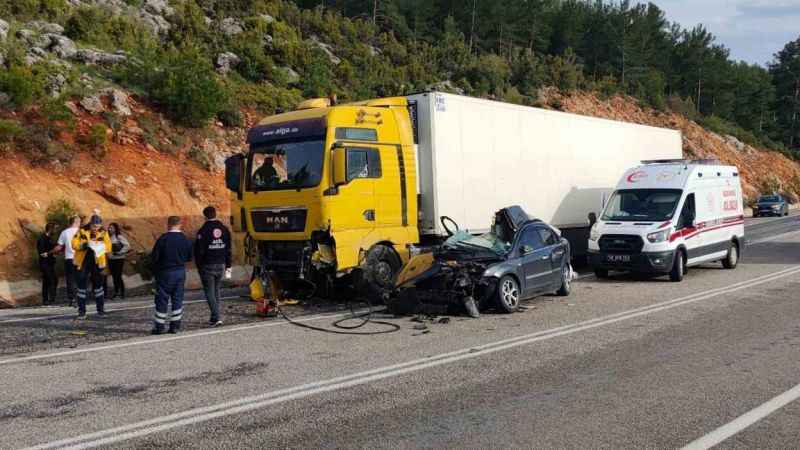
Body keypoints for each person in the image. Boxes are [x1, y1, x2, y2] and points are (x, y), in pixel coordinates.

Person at [150, 216, 193, 335]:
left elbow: (154, 258)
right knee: (177, 298)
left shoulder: (163, 239)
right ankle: (175, 326)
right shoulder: (185, 239)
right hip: (180, 271)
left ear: (168, 224)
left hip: (165, 272)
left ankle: (159, 327)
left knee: (162, 299)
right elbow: (189, 257)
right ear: (180, 224)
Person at [195, 206, 232, 327]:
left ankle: (216, 317)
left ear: (205, 216)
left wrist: (199, 266)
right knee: (216, 290)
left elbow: (199, 251)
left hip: (207, 265)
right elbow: (228, 249)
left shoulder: (203, 231)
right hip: (221, 264)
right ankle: (214, 317)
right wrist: (229, 266)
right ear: (216, 214)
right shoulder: (224, 229)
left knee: (209, 292)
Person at [71, 214, 111, 319]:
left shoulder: (104, 232)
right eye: (94, 226)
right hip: (83, 262)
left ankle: (101, 310)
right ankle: (82, 312)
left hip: (97, 262)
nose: (96, 228)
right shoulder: (81, 231)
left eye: (98, 226)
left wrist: (100, 246)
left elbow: (108, 246)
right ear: (90, 224)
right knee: (81, 288)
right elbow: (74, 244)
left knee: (98, 287)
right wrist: (84, 245)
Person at [55, 215, 81, 306]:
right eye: (79, 222)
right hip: (80, 258)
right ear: (76, 222)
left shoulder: (64, 232)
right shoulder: (81, 231)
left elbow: (59, 247)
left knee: (70, 279)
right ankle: (81, 298)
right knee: (80, 278)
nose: (80, 223)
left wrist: (50, 252)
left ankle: (72, 299)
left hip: (69, 258)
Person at [107, 222, 131, 300]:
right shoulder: (108, 237)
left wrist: (120, 252)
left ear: (115, 229)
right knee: (114, 276)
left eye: (112, 228)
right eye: (109, 228)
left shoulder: (119, 237)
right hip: (111, 259)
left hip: (119, 259)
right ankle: (117, 292)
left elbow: (127, 246)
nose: (110, 229)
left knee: (118, 275)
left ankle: (121, 292)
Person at [37, 223, 59, 305]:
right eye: (55, 229)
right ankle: (49, 299)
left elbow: (53, 249)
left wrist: (56, 251)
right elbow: (42, 253)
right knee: (51, 280)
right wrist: (52, 251)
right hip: (45, 264)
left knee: (49, 280)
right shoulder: (42, 239)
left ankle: (47, 299)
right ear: (50, 229)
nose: (56, 231)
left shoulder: (50, 238)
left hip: (50, 263)